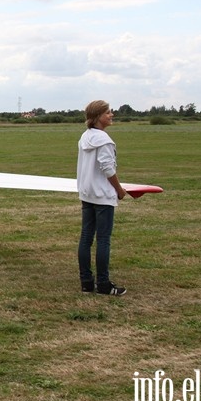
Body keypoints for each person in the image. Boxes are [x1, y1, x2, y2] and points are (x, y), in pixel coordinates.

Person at [77, 100, 128, 296]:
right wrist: (119, 190)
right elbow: (108, 168)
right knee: (103, 240)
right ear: (98, 116)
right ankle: (104, 284)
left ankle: (86, 282)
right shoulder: (104, 140)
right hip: (102, 196)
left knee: (86, 238)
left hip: (87, 193)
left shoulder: (85, 137)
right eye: (108, 112)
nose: (112, 115)